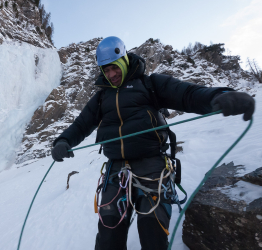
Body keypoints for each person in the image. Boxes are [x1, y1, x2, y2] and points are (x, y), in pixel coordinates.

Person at [51, 36, 255, 250]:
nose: (111, 75)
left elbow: (187, 94)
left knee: (152, 233)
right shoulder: (102, 98)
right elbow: (81, 125)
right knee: (108, 233)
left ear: (123, 60)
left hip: (152, 166)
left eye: (113, 68)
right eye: (105, 70)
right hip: (116, 169)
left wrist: (219, 96)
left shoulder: (150, 84)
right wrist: (63, 141)